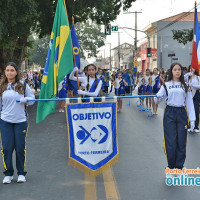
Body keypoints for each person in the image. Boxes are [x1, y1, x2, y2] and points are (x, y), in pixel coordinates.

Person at [154, 62, 195, 177]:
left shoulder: (185, 85)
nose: (177, 71)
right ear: (171, 71)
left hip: (182, 113)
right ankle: (170, 167)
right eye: (175, 69)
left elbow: (189, 103)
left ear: (181, 72)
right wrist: (157, 97)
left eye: (179, 69)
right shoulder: (166, 85)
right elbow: (157, 99)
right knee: (171, 142)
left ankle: (179, 168)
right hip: (170, 113)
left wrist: (192, 119)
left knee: (181, 142)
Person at [0, 62, 35, 184]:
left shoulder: (23, 85)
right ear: (5, 72)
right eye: (7, 70)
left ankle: (21, 173)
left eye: (12, 70)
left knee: (20, 148)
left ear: (16, 72)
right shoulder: (1, 86)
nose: (9, 72)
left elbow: (32, 101)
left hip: (20, 121)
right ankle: (8, 174)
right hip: (5, 122)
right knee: (7, 148)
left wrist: (26, 100)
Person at [184, 66, 200, 132]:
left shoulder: (198, 77)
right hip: (188, 94)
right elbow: (180, 79)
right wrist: (187, 74)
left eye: (193, 68)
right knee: (188, 110)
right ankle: (189, 125)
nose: (192, 69)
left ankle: (196, 127)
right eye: (191, 68)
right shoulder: (187, 77)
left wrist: (192, 85)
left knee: (196, 110)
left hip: (196, 94)